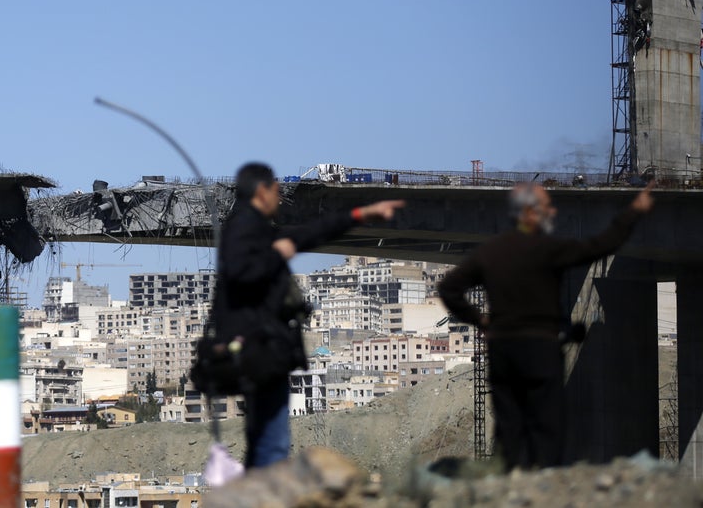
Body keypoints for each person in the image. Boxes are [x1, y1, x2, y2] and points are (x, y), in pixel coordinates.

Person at [437, 181, 655, 470]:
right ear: (529, 212)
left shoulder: (492, 251)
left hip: (503, 350)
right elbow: (601, 245)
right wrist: (634, 212)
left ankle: (510, 482)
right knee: (547, 423)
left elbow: (449, 288)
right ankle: (543, 483)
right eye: (546, 206)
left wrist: (480, 320)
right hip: (540, 347)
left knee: (509, 424)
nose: (552, 211)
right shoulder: (548, 248)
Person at [214, 162, 404, 469]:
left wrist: (358, 215)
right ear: (262, 191)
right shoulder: (244, 227)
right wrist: (278, 254)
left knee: (266, 441)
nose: (279, 196)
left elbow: (306, 236)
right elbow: (239, 273)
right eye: (276, 189)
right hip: (258, 350)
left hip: (263, 350)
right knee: (272, 445)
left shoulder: (255, 228)